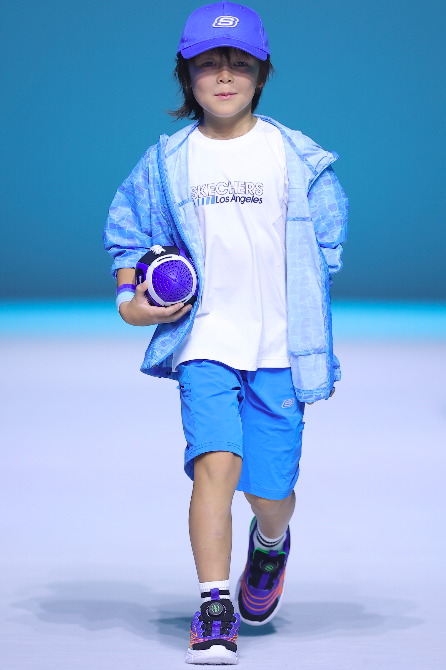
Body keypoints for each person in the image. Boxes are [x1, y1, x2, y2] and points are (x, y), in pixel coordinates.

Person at [103, 2, 348, 664]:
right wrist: (132, 301)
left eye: (239, 63)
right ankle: (214, 605)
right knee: (214, 464)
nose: (224, 75)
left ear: (262, 74)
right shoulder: (167, 162)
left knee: (270, 493)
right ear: (186, 75)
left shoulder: (297, 158)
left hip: (279, 349)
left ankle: (270, 544)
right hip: (205, 341)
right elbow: (128, 232)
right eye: (208, 62)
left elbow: (326, 248)